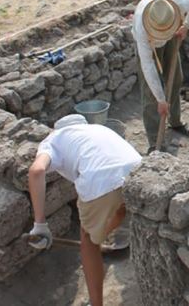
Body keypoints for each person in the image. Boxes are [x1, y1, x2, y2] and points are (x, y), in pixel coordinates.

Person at [27, 114, 142, 306]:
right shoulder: (98, 129)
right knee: (119, 208)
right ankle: (103, 236)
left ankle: (96, 303)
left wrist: (39, 224)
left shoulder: (53, 139)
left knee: (87, 240)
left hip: (100, 181)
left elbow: (36, 171)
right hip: (139, 170)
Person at [132, 0, 189, 153]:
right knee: (151, 94)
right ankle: (154, 142)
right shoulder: (142, 29)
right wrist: (161, 99)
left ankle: (175, 122)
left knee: (176, 78)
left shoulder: (178, 3)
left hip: (171, 32)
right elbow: (148, 66)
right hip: (151, 45)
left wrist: (186, 25)